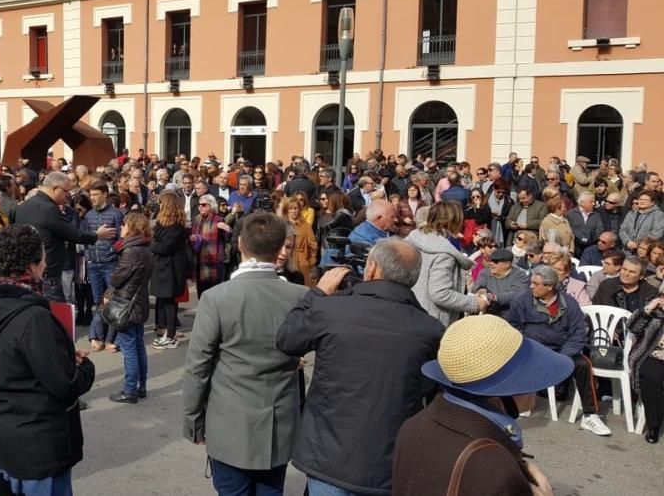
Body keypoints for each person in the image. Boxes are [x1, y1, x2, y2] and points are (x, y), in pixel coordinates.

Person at [276, 238, 444, 495]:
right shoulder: (430, 329)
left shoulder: (330, 309)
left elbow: (287, 338)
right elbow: (432, 394)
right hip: (388, 462)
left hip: (329, 457)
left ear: (372, 268)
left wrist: (317, 293)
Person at [184, 212, 309, 496]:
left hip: (230, 423)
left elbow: (197, 366)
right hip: (279, 424)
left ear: (240, 244)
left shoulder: (217, 298)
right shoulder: (300, 297)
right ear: (280, 247)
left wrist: (193, 419)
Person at [0, 224, 95, 495]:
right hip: (36, 441)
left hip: (1, 431)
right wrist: (85, 367)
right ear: (33, 265)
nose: (46, 261)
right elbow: (64, 383)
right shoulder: (34, 317)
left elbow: (17, 360)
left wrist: (58, 355)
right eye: (43, 256)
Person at [392, 315, 569, 496]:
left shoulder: (412, 426)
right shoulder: (497, 471)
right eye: (528, 374)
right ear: (504, 391)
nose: (535, 384)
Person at [506, 265, 610, 436]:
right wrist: (527, 346)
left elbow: (579, 333)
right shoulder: (522, 300)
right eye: (531, 282)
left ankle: (590, 415)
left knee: (583, 364)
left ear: (550, 287)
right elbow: (513, 327)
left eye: (536, 283)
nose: (531, 286)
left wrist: (563, 356)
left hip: (562, 351)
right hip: (533, 350)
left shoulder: (569, 303)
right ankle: (517, 404)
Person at [14, 172, 115, 301]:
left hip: (29, 271)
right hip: (48, 273)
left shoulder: (24, 205)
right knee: (56, 315)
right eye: (66, 192)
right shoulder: (49, 208)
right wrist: (97, 235)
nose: (67, 196)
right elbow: (73, 234)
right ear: (55, 188)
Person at [407, 201, 489, 327]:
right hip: (434, 320)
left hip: (411, 312)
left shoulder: (413, 239)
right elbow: (440, 293)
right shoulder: (444, 253)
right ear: (454, 222)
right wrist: (475, 303)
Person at [107, 212, 154, 404]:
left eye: (124, 225)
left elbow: (117, 279)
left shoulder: (131, 251)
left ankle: (129, 390)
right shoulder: (145, 248)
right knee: (138, 346)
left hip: (127, 304)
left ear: (132, 227)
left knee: (129, 349)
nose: (121, 228)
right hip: (139, 302)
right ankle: (141, 386)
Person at [83, 180, 124, 352]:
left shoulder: (116, 214)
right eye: (91, 195)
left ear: (105, 194)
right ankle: (95, 336)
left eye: (95, 195)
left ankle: (110, 339)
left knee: (112, 302)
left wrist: (112, 251)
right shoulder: (88, 216)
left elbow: (121, 240)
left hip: (110, 264)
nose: (92, 198)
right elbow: (84, 237)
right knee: (98, 302)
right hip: (94, 265)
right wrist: (88, 259)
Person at [150, 192, 190, 350]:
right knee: (165, 301)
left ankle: (171, 336)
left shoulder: (175, 227)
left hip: (171, 269)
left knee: (170, 302)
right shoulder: (164, 225)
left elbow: (164, 247)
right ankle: (166, 332)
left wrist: (151, 244)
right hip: (164, 267)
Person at [627, 295, 664, 444]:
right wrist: (649, 308)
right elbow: (632, 327)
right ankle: (654, 426)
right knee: (651, 377)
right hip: (650, 354)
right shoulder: (654, 310)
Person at [190, 194, 231, 296]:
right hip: (199, 261)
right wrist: (191, 238)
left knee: (214, 292)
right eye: (199, 205)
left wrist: (227, 229)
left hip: (214, 262)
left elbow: (228, 237)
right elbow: (192, 236)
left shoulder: (218, 219)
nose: (200, 207)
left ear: (211, 206)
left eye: (204, 205)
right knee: (201, 292)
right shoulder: (196, 219)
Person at [473, 248, 530, 316]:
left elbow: (516, 295)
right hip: (485, 315)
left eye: (495, 261)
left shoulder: (520, 276)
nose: (491, 263)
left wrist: (495, 297)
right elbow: (479, 285)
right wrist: (481, 290)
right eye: (490, 260)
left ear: (507, 264)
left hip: (508, 317)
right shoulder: (485, 272)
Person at [592, 255, 658, 312]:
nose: (626, 274)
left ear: (641, 276)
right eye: (624, 269)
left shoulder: (650, 292)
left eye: (632, 272)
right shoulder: (606, 285)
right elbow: (594, 310)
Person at [281, 196, 317, 286]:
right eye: (290, 208)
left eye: (295, 208)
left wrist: (311, 261)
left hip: (302, 261)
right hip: (285, 259)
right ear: (286, 210)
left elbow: (313, 245)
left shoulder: (306, 226)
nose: (293, 211)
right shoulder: (281, 224)